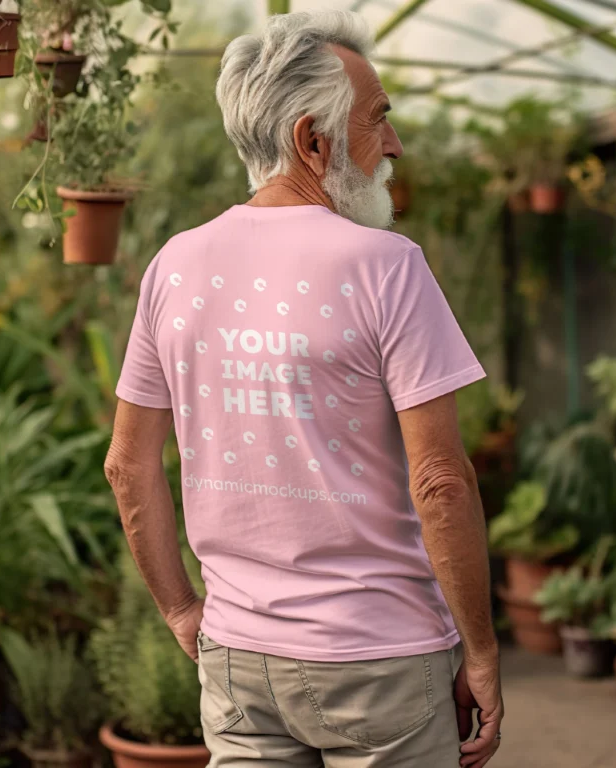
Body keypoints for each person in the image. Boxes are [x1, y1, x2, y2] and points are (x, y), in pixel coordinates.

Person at [106, 10, 503, 768]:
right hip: (382, 662)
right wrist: (481, 651)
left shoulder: (174, 266)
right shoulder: (386, 265)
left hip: (236, 662)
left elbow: (128, 467)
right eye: (378, 119)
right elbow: (442, 481)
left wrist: (182, 609)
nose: (393, 143)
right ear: (311, 140)